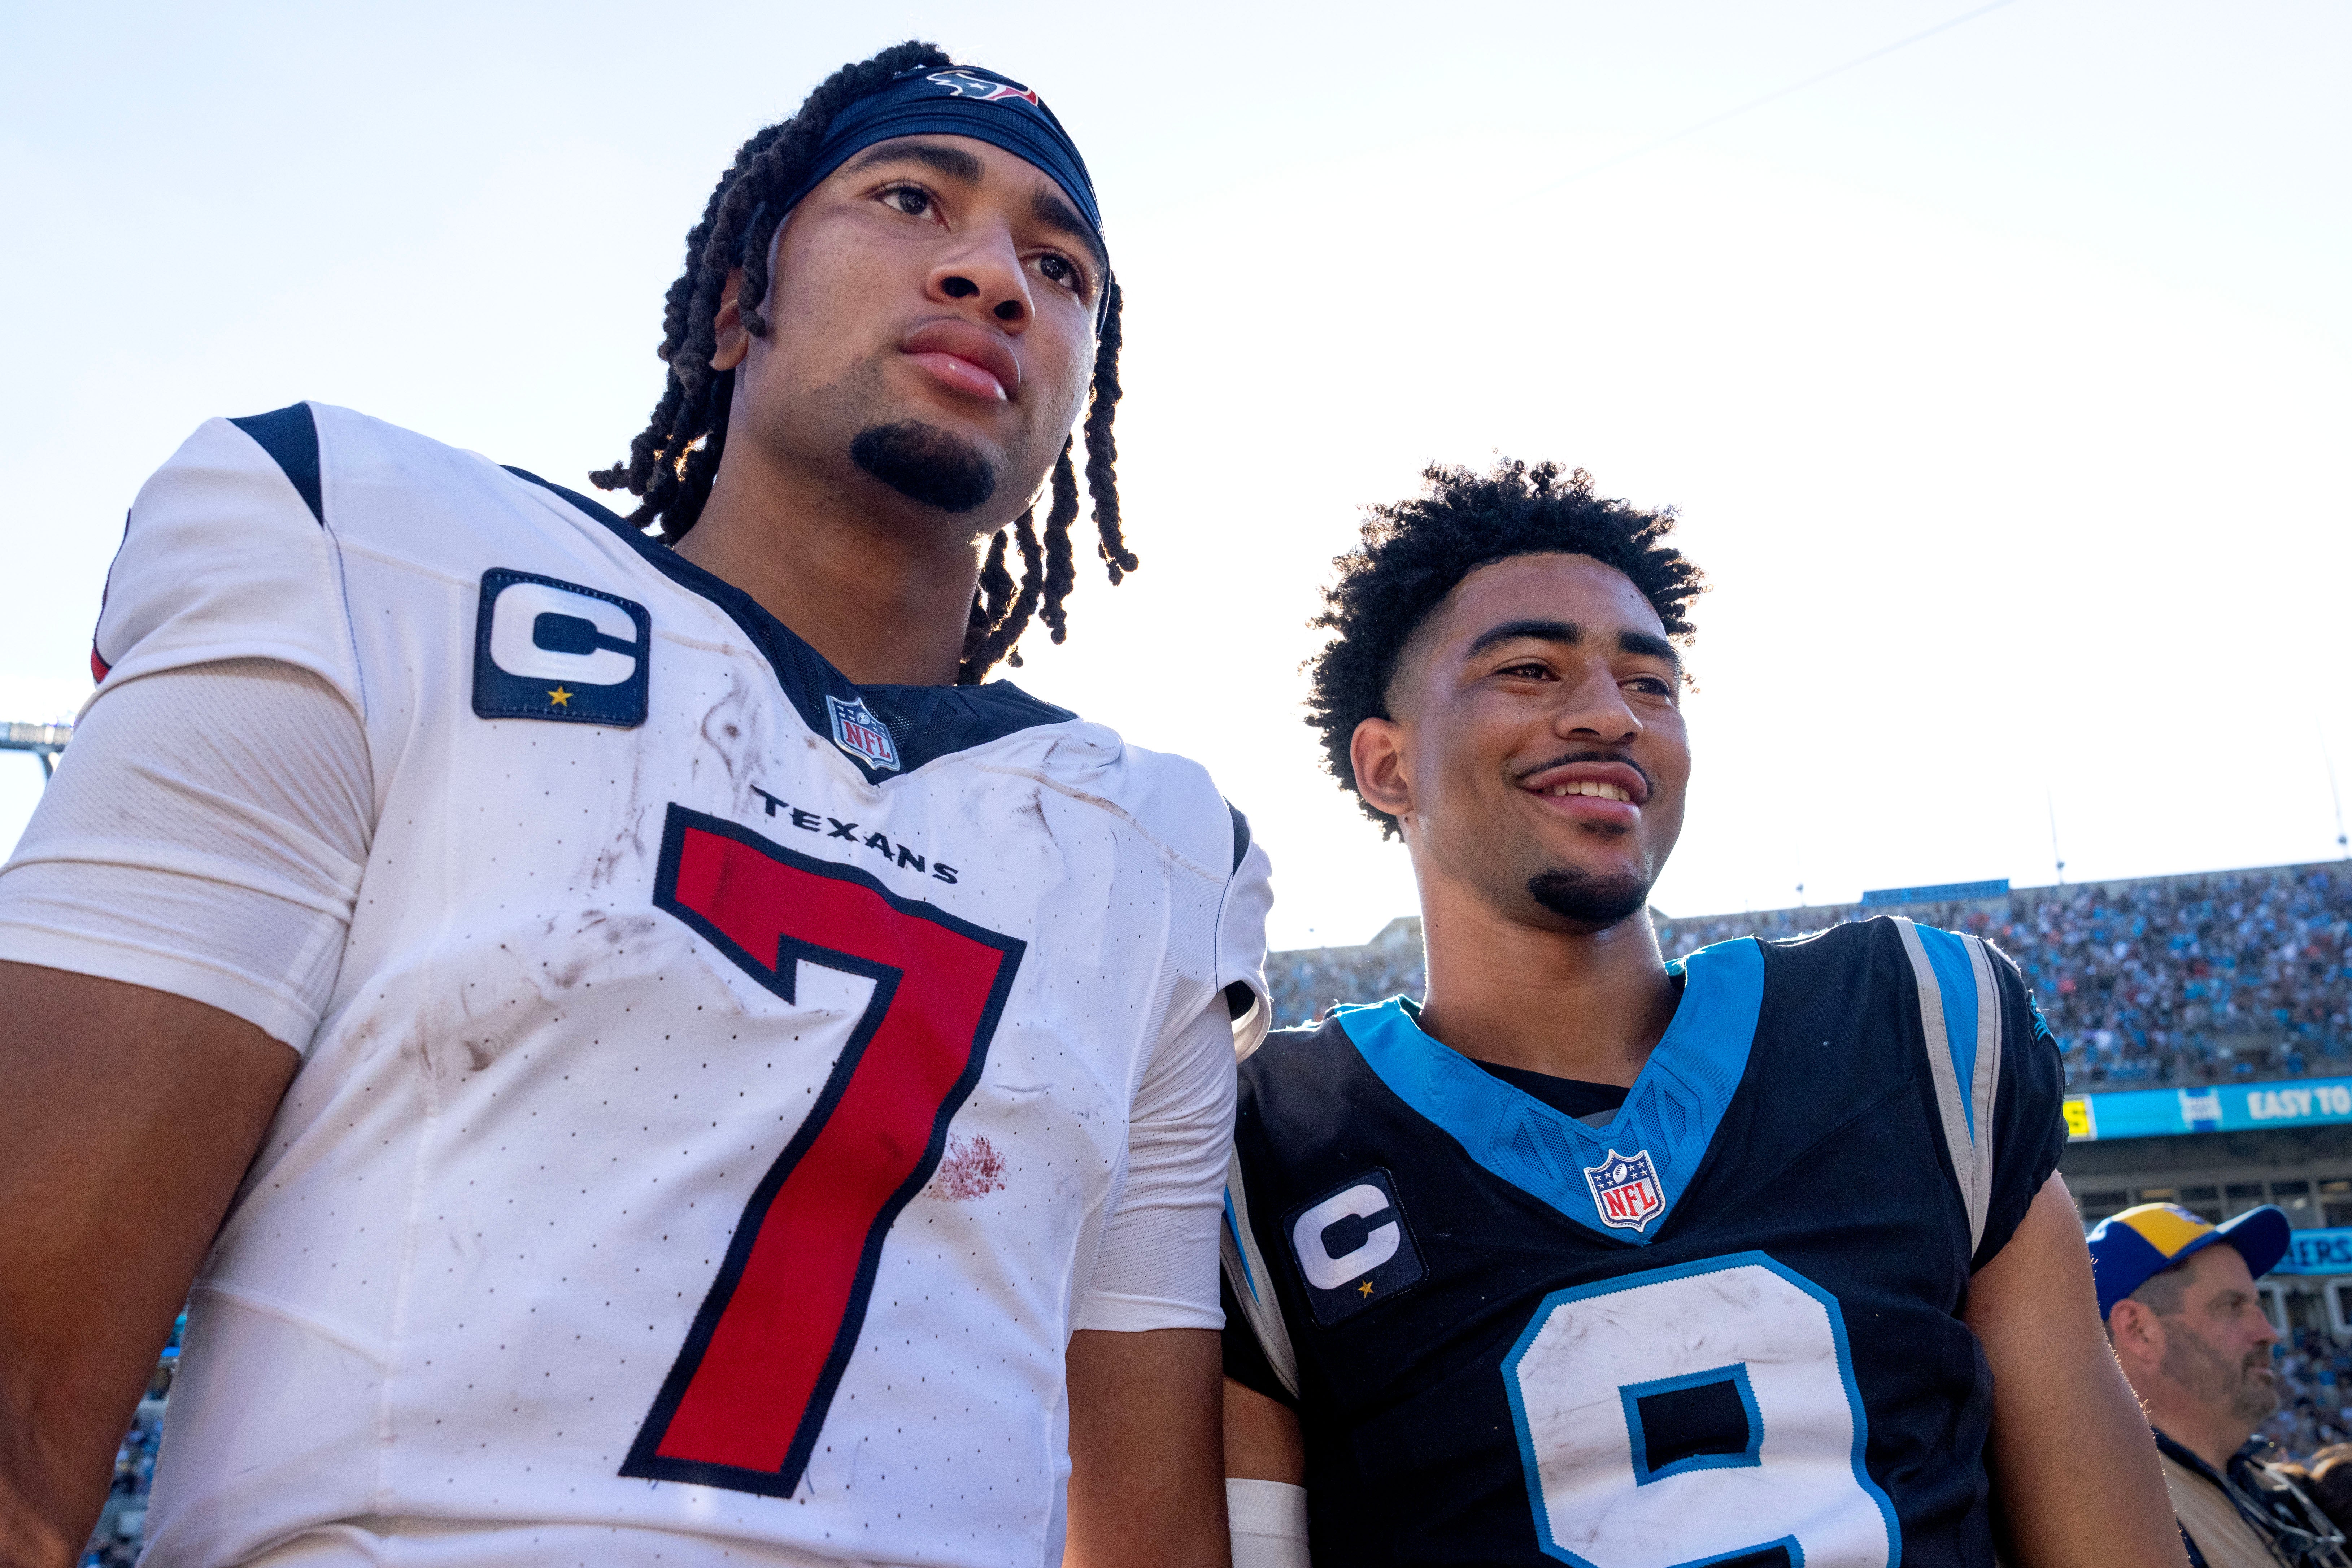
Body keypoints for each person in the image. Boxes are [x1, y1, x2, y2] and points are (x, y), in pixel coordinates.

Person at [0, 41, 1271, 1568]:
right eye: (913, 198)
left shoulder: (1161, 854)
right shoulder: (370, 553)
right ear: (742, 300)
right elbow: (26, 1398)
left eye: (1058, 269)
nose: (993, 274)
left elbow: (1147, 1534)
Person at [1214, 458, 2186, 1567]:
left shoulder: (1910, 1021)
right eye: (1532, 669)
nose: (1606, 714)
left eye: (1650, 684)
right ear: (1388, 765)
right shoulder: (1266, 1142)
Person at [2093, 1204, 2352, 1568]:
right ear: (2139, 1331)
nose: (2269, 1334)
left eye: (2257, 1306)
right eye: (2232, 1306)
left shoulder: (2266, 1489)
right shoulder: (2110, 1516)